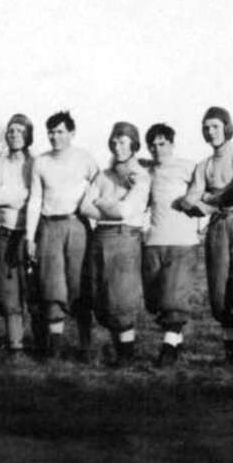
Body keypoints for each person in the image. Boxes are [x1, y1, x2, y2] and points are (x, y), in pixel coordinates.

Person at [180, 107, 233, 366]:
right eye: (206, 127)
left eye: (215, 126)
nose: (210, 131)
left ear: (226, 126)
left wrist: (209, 198)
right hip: (217, 226)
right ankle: (229, 353)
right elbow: (189, 200)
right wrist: (209, 200)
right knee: (220, 289)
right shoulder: (203, 165)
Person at [25, 111, 99, 359]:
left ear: (71, 133)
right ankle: (54, 348)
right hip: (48, 227)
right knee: (51, 285)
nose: (55, 136)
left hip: (76, 225)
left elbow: (100, 188)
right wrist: (29, 236)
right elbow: (35, 199)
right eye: (51, 132)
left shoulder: (84, 159)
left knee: (79, 285)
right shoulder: (41, 162)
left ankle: (85, 346)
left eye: (60, 131)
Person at [79, 122, 150, 365]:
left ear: (134, 144)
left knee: (122, 297)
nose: (118, 147)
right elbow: (84, 206)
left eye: (123, 141)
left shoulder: (140, 175)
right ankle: (113, 350)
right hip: (100, 238)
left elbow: (125, 210)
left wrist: (101, 202)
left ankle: (126, 356)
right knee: (102, 294)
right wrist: (105, 204)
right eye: (114, 141)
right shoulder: (103, 175)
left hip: (125, 237)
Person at [141, 123, 200, 367]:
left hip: (182, 241)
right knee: (156, 302)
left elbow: (203, 193)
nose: (157, 149)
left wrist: (192, 202)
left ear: (172, 144)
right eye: (152, 145)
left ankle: (167, 347)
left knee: (174, 298)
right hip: (154, 241)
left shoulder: (188, 167)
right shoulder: (147, 172)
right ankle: (176, 341)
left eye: (162, 143)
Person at [0, 113, 37, 354]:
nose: (14, 135)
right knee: (8, 291)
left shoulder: (37, 164)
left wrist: (11, 197)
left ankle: (42, 344)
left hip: (33, 234)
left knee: (35, 289)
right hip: (6, 233)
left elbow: (39, 198)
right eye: (10, 130)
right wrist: (21, 198)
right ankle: (15, 343)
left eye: (19, 130)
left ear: (28, 134)